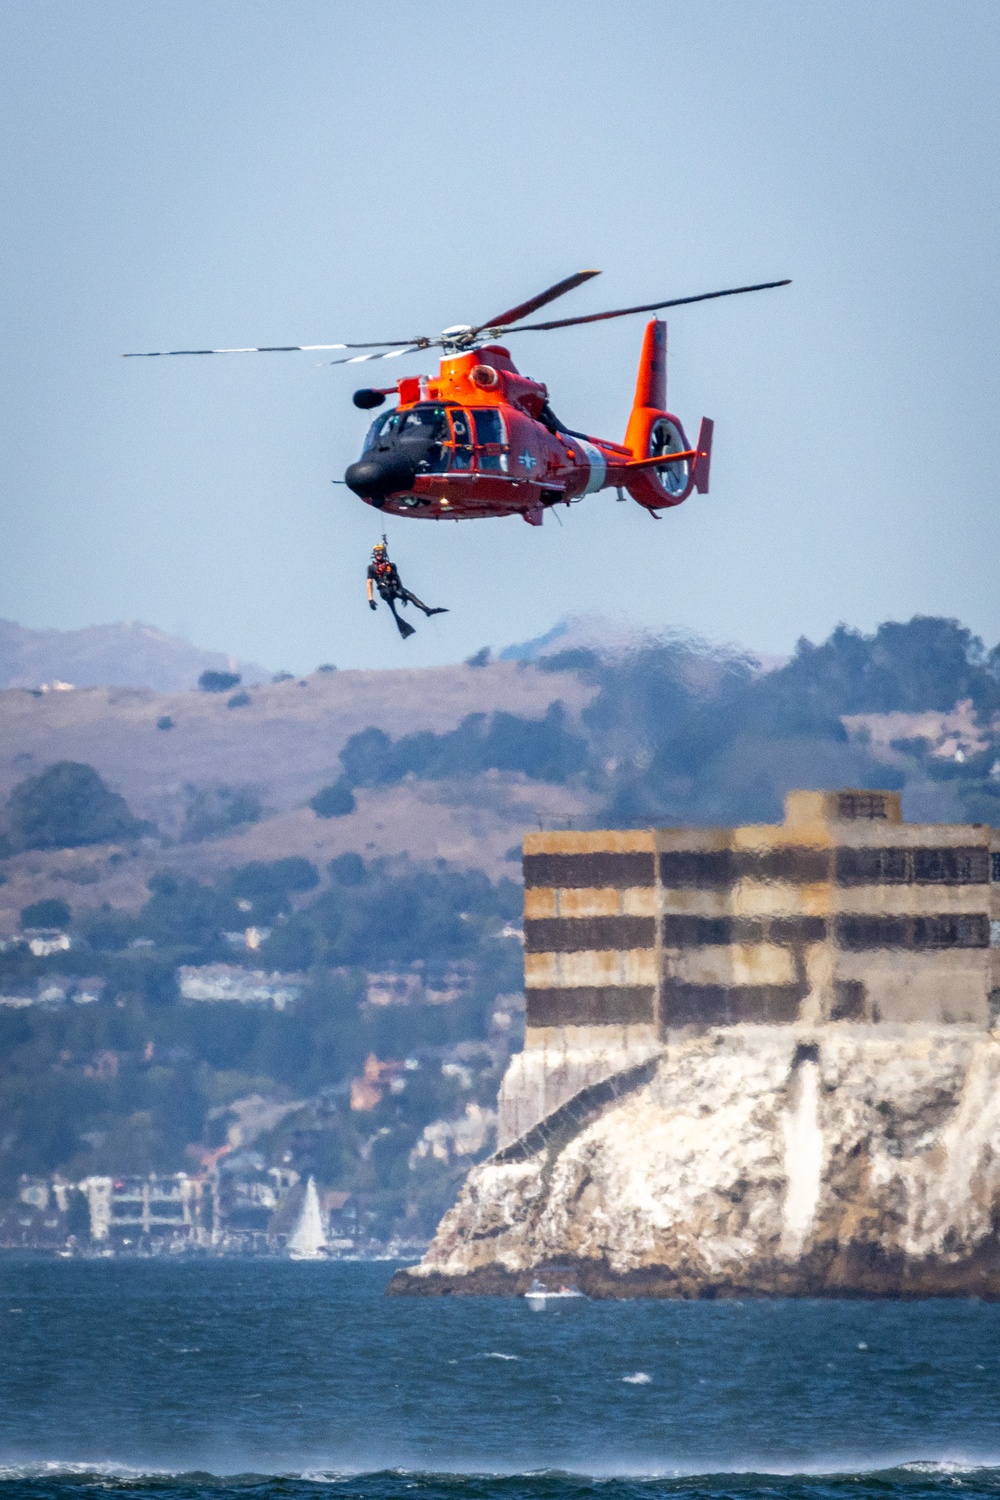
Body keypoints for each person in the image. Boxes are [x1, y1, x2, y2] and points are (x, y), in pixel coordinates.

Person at [366, 539, 447, 639]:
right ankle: (402, 625)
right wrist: (370, 599)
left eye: (380, 552)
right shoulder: (371, 568)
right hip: (385, 591)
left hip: (394, 588)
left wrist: (403, 595)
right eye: (376, 552)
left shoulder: (392, 566)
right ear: (374, 554)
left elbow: (398, 578)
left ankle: (427, 610)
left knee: (409, 595)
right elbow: (369, 583)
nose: (378, 554)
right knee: (392, 604)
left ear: (384, 553)